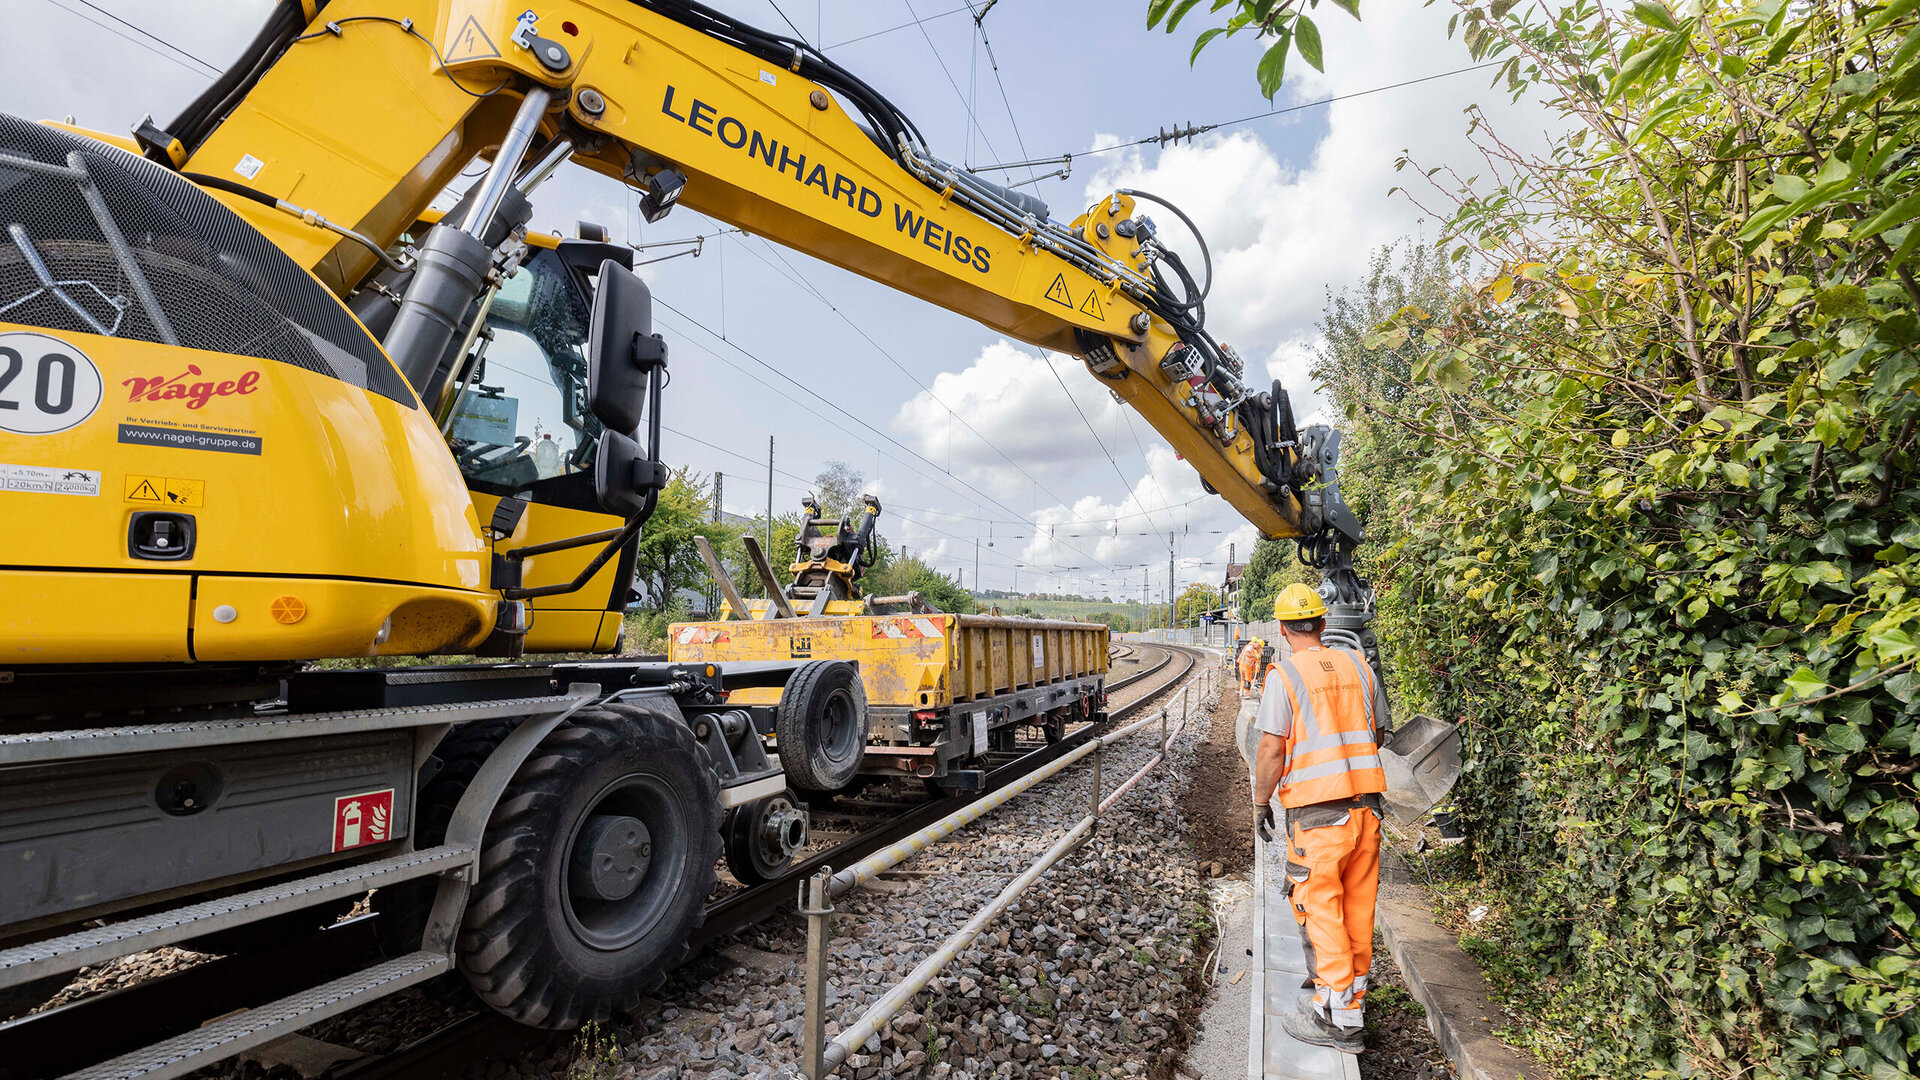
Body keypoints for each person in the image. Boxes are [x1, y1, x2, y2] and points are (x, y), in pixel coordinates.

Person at [1250, 582, 1391, 1054]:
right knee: (1357, 910)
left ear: (1283, 629)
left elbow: (1271, 749)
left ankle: (1339, 1022)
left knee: (1321, 910)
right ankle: (1351, 999)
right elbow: (1378, 732)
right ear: (1324, 623)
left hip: (1318, 817)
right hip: (1366, 810)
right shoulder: (1359, 666)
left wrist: (1260, 802)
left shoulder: (1285, 676)